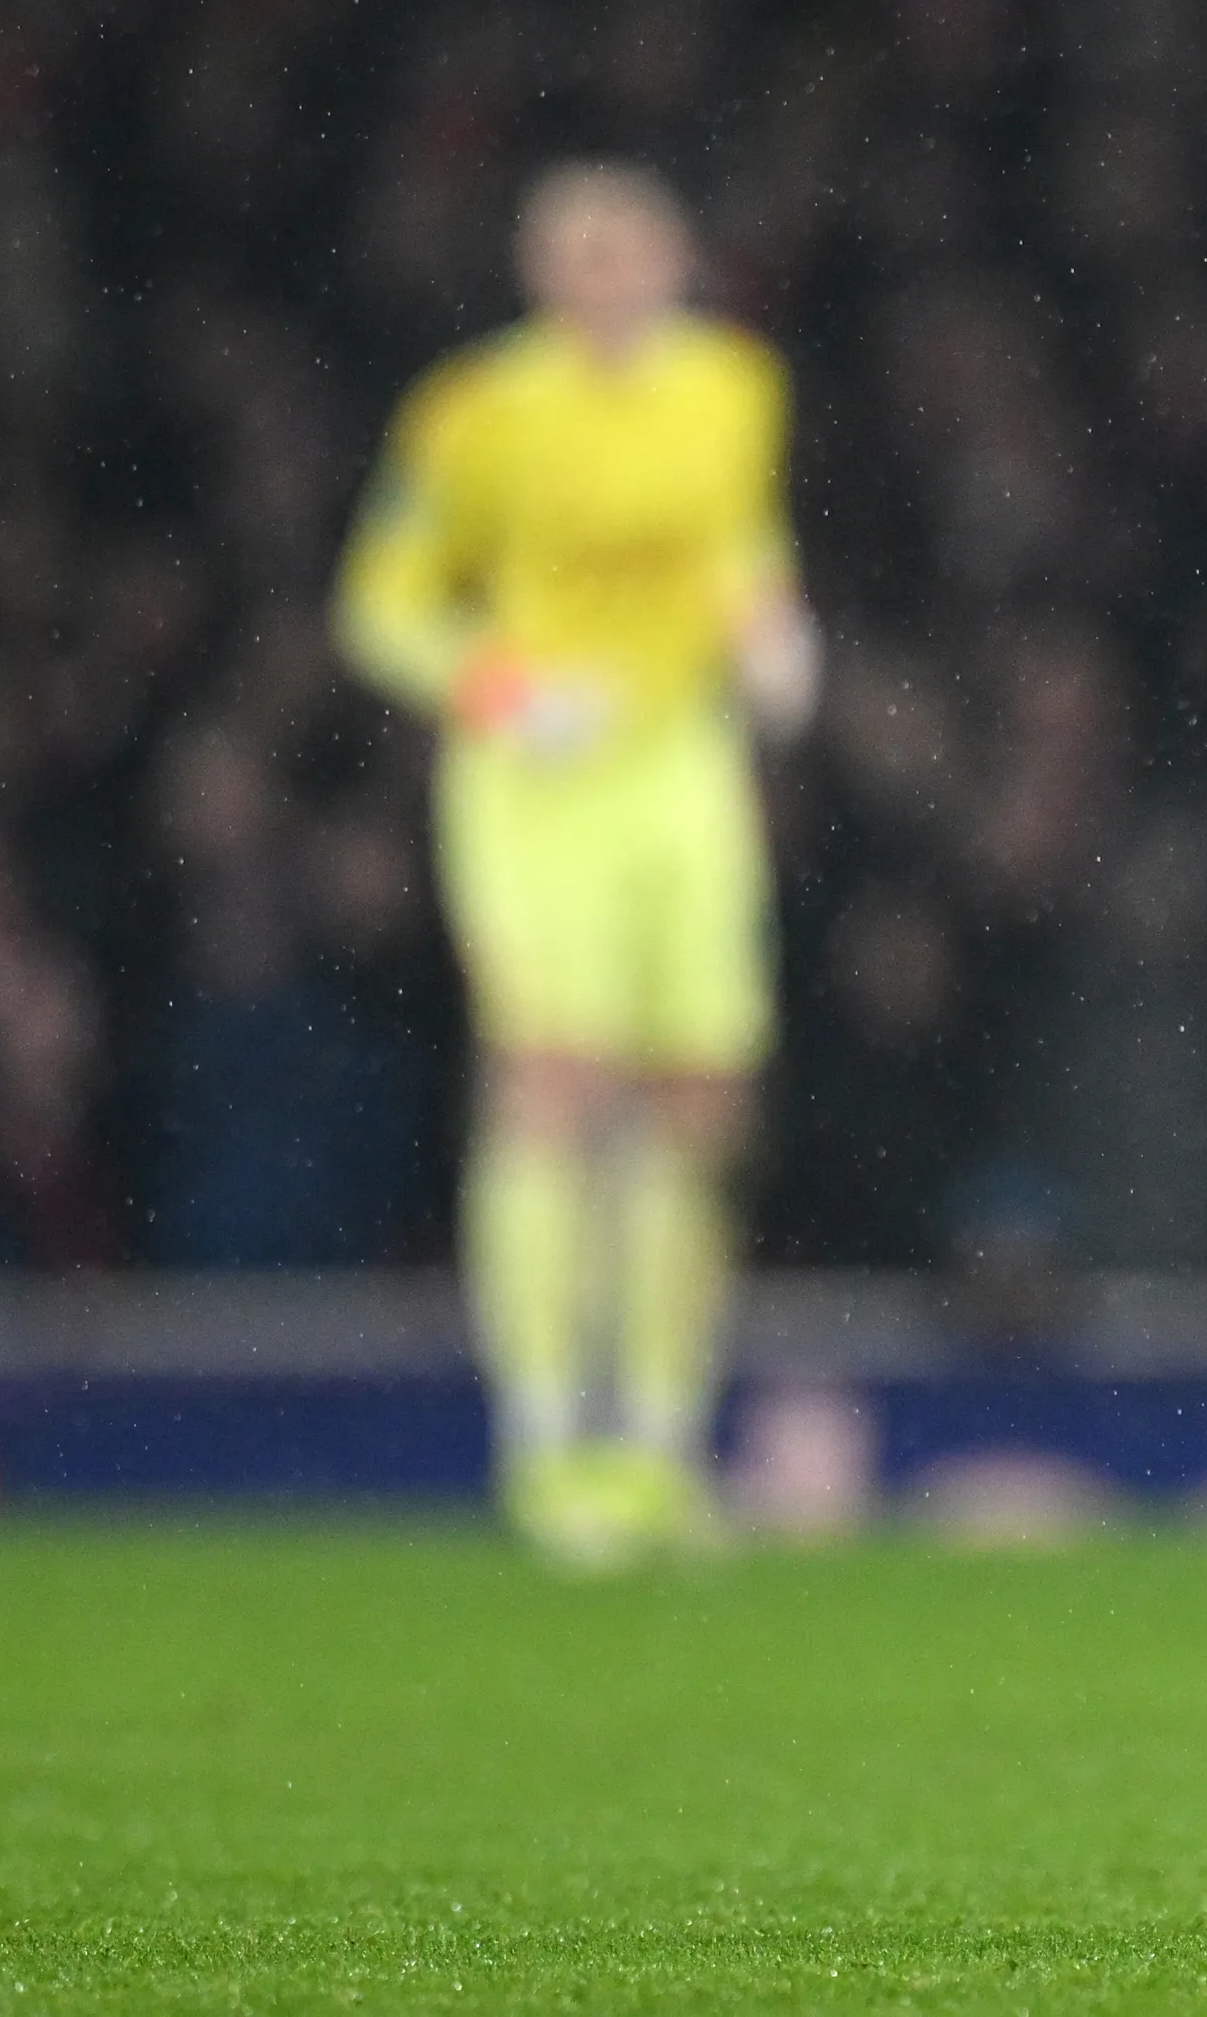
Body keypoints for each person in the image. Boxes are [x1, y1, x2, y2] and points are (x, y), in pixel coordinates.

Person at [336, 164, 818, 1565]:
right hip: (539, 779)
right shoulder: (477, 410)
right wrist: (497, 691)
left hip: (682, 767)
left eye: (631, 250)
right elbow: (379, 601)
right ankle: (545, 1440)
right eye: (580, 255)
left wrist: (773, 626)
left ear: (674, 260)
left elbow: (738, 543)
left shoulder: (734, 387)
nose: (608, 276)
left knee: (704, 1096)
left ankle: (661, 1442)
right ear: (541, 271)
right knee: (552, 1078)